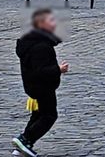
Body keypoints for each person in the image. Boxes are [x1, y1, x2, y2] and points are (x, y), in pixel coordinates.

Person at [14, 8, 69, 157]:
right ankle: (25, 139)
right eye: (51, 21)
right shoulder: (40, 46)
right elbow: (41, 70)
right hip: (43, 87)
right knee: (49, 115)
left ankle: (24, 145)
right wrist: (58, 69)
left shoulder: (33, 41)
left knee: (38, 115)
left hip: (34, 86)